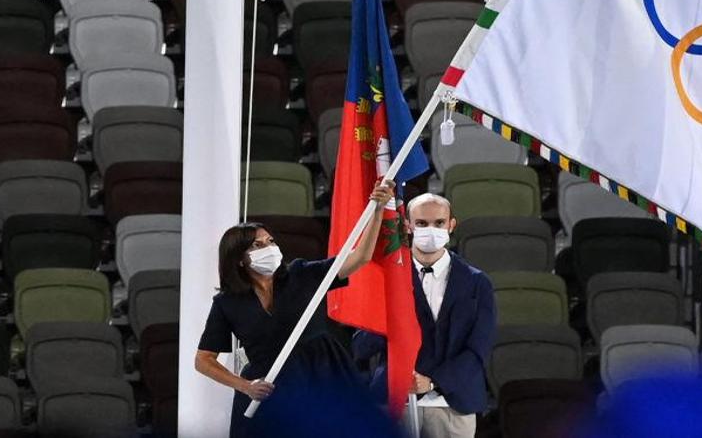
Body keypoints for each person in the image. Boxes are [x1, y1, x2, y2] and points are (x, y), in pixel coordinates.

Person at [194, 180, 397, 438]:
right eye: (258, 245)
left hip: (322, 375)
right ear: (239, 258)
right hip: (269, 388)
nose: (270, 248)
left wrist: (378, 210)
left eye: (270, 241)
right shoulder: (227, 303)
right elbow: (203, 360)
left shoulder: (302, 274)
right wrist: (244, 386)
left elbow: (360, 258)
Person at [355, 192, 497, 438]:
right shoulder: (387, 279)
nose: (431, 229)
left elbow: (478, 349)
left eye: (439, 223)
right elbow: (361, 346)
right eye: (422, 223)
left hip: (453, 405)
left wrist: (432, 382)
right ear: (407, 225)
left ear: (452, 224)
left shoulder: (477, 283)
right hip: (394, 402)